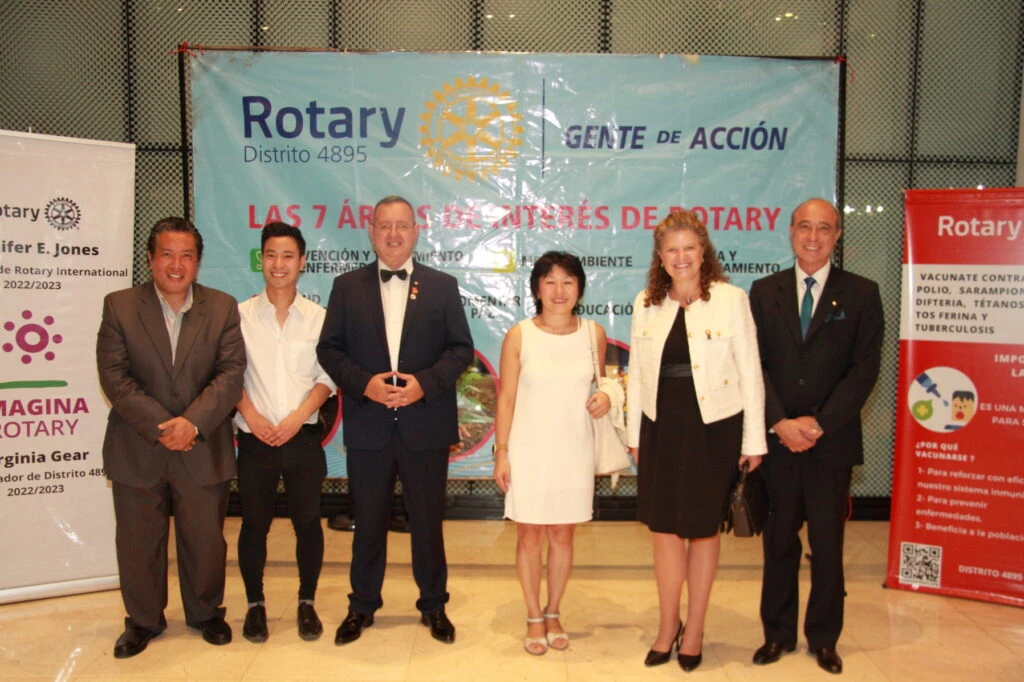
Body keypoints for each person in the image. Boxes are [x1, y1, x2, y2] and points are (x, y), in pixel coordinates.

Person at [317, 195, 473, 646]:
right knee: (367, 523)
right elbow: (329, 349)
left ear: (416, 232)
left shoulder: (442, 286)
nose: (393, 234)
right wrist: (363, 384)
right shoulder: (347, 287)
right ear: (371, 232)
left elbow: (460, 349)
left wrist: (426, 383)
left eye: (402, 225)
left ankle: (434, 605)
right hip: (370, 425)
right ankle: (362, 606)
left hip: (425, 423)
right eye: (384, 226)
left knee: (427, 523)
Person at [96, 217, 246, 658]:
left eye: (186, 256)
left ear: (198, 262)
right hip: (138, 445)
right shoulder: (120, 306)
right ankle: (142, 621)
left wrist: (192, 424)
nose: (176, 265)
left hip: (202, 445)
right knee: (138, 542)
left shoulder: (222, 307)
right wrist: (165, 426)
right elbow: (114, 376)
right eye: (167, 254)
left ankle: (205, 613)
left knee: (205, 540)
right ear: (150, 258)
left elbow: (231, 374)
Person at [627, 210, 766, 672]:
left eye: (689, 247)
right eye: (672, 250)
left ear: (703, 252)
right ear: (660, 257)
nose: (681, 257)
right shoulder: (646, 302)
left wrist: (753, 441)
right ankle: (668, 626)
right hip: (660, 427)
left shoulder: (730, 299)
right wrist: (634, 437)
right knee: (664, 531)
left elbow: (750, 372)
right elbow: (637, 375)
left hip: (715, 428)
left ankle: (696, 630)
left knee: (704, 531)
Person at [748, 198, 883, 675]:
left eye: (823, 228)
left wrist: (820, 424)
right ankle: (777, 634)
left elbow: (864, 370)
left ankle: (824, 639)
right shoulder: (764, 292)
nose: (812, 237)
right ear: (790, 231)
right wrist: (780, 422)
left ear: (837, 235)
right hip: (779, 442)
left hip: (831, 444)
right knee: (778, 543)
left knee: (827, 546)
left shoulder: (862, 293)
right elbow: (753, 365)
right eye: (804, 227)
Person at [492, 251, 612, 655]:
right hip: (528, 449)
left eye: (568, 281)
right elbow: (506, 398)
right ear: (537, 289)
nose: (559, 290)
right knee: (529, 534)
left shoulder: (593, 334)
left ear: (579, 288)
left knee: (563, 533)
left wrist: (606, 398)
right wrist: (502, 453)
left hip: (574, 448)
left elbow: (605, 386)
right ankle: (533, 614)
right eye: (550, 282)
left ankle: (554, 610)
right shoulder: (520, 335)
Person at [234, 222, 336, 643]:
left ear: (302, 262)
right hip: (254, 439)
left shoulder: (319, 318)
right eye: (272, 255)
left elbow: (327, 377)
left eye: (288, 256)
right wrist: (250, 414)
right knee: (253, 525)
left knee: (308, 523)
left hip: (303, 438)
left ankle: (307, 602)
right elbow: (226, 374)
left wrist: (298, 417)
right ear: (262, 260)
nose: (279, 264)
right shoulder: (238, 316)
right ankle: (255, 604)